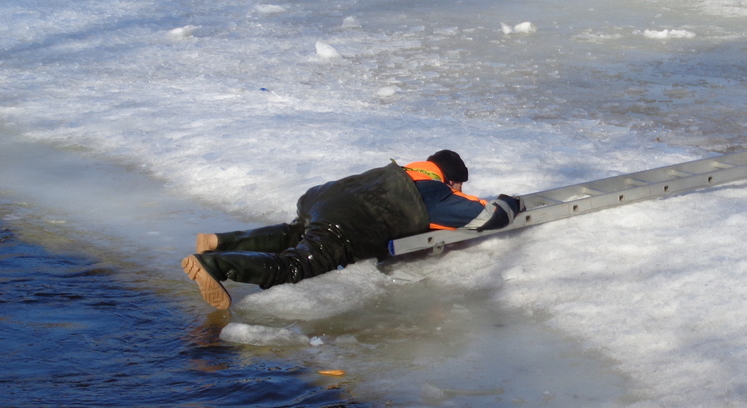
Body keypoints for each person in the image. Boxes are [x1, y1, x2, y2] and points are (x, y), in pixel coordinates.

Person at [181, 150, 523, 310]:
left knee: (296, 232)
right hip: (346, 223)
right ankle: (215, 265)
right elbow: (486, 218)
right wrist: (510, 202)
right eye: (458, 187)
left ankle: (220, 241)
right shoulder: (434, 193)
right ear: (449, 179)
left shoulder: (404, 171)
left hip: (321, 198)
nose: (458, 192)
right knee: (299, 263)